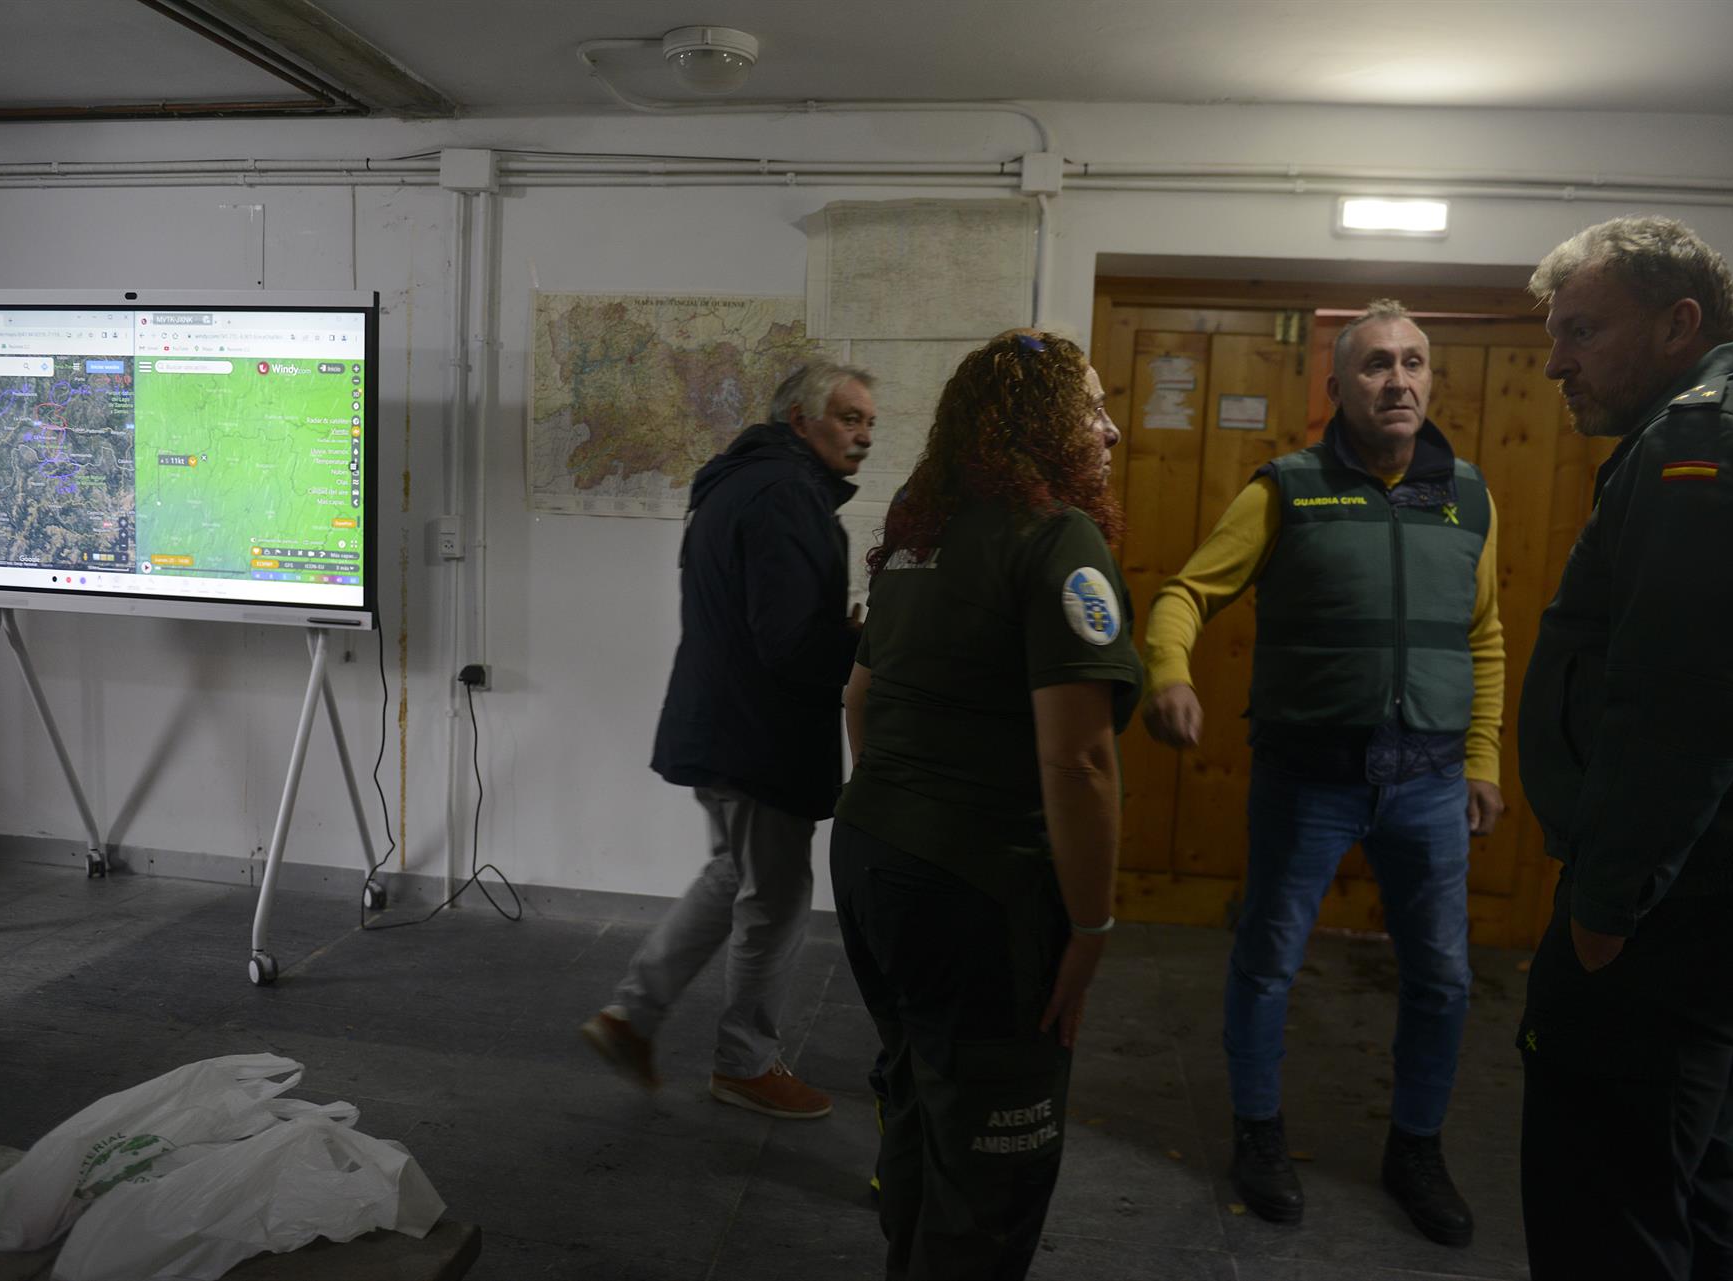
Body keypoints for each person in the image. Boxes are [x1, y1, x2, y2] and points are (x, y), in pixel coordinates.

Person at [1140, 300, 1505, 1246]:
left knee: (1445, 978)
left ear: (1432, 380)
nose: (1399, 380)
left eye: (1415, 363)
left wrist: (1482, 757)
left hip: (1427, 784)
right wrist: (1170, 673)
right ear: (1337, 385)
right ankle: (1258, 1132)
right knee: (1268, 965)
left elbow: (1485, 635)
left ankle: (1415, 1146)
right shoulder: (1285, 490)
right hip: (1309, 780)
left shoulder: (1471, 495)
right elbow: (1185, 594)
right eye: (1378, 364)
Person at [832, 330, 1138, 1279]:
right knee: (995, 1160)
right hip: (981, 888)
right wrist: (1090, 928)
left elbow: (860, 699)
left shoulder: (920, 526)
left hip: (873, 854)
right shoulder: (1056, 536)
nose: (1111, 426)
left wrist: (904, 808)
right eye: (1091, 407)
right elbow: (1080, 759)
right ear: (1046, 423)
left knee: (921, 1092)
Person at [1514, 215, 1733, 1281]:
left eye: (1581, 331)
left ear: (1681, 325)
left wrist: (1606, 907)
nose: (1554, 363)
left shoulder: (1702, 443)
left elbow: (1690, 700)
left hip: (1680, 909)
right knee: (1693, 1172)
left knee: (1608, 1212)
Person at [581, 360, 876, 1119]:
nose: (864, 434)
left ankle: (630, 1015)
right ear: (800, 421)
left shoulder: (742, 482)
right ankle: (744, 1063)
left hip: (723, 722)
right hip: (759, 733)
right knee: (775, 897)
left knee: (733, 872)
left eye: (869, 421)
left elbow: (762, 618)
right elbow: (783, 640)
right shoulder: (785, 496)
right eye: (848, 417)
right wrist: (859, 644)